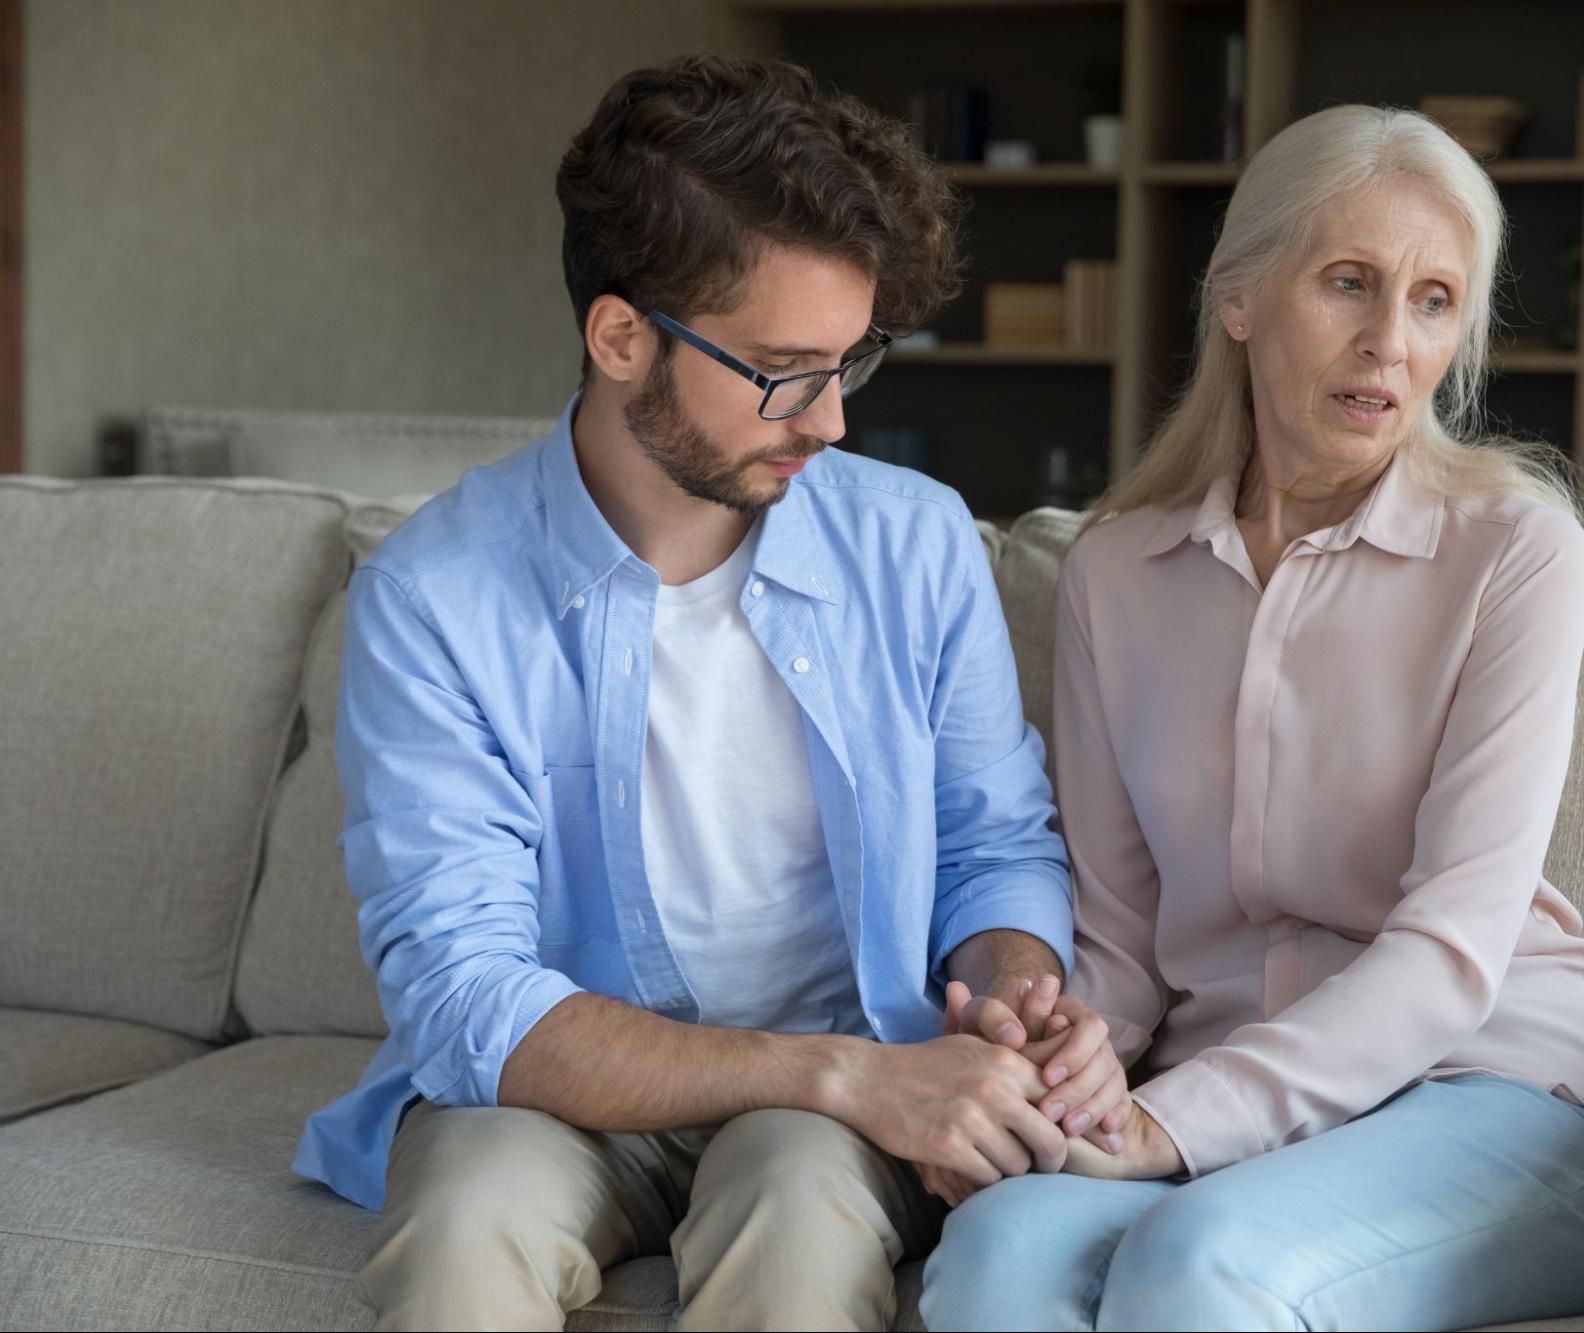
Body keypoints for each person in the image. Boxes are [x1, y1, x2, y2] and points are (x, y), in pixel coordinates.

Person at [293, 54, 1125, 1331]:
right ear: (621, 336)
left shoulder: (914, 546)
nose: (834, 421)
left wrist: (1013, 989)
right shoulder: (433, 597)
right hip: (561, 1099)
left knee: (795, 1224)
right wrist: (850, 1076)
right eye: (786, 371)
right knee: (462, 1233)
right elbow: (468, 997)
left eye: (853, 361)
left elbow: (991, 844)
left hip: (831, 1107)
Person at [922, 103, 1584, 1332]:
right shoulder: (1116, 573)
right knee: (994, 1252)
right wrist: (1050, 1069)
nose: (1388, 344)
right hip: (1227, 1113)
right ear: (1238, 298)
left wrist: (1166, 1122)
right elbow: (1118, 935)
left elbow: (1450, 953)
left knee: (1198, 1263)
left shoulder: (1515, 554)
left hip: (1502, 1097)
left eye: (1432, 301)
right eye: (1349, 284)